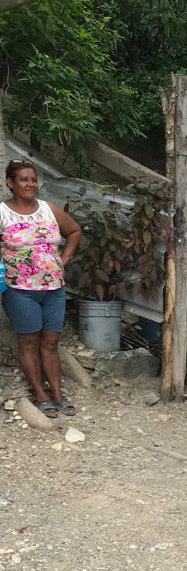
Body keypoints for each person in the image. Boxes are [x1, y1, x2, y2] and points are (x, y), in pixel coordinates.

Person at [1, 160, 81, 418]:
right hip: (19, 290)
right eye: (24, 179)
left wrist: (64, 258)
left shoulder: (49, 209)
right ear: (10, 183)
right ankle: (40, 394)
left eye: (33, 179)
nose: (30, 184)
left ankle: (58, 394)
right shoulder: (2, 213)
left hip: (54, 289)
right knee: (29, 342)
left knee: (51, 342)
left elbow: (74, 231)